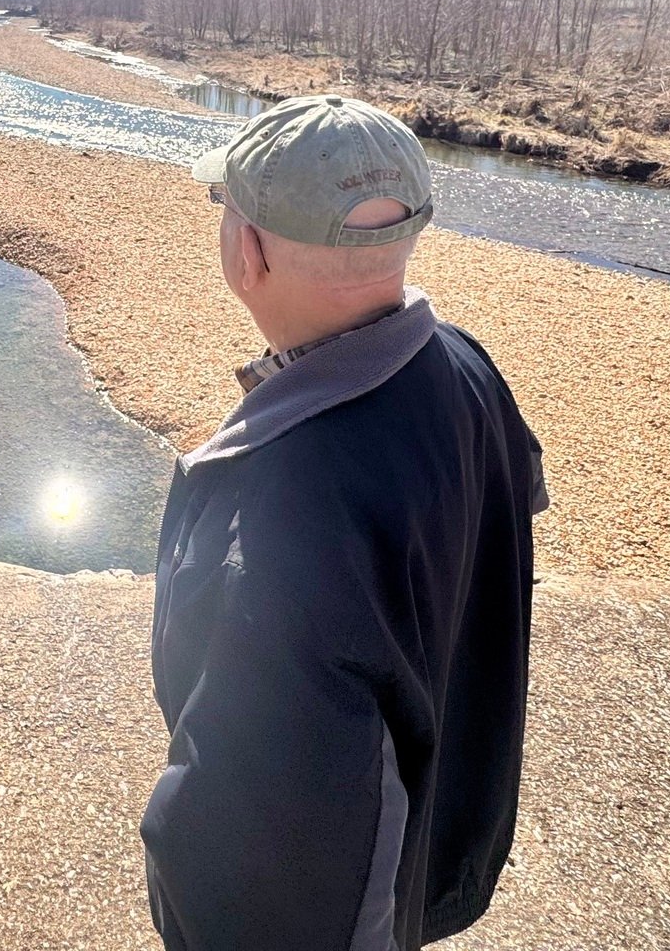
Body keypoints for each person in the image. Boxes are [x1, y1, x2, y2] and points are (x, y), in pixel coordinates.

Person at [140, 94, 549, 950]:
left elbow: (261, 827)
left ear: (246, 250)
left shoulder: (282, 509)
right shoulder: (469, 367)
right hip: (443, 837)